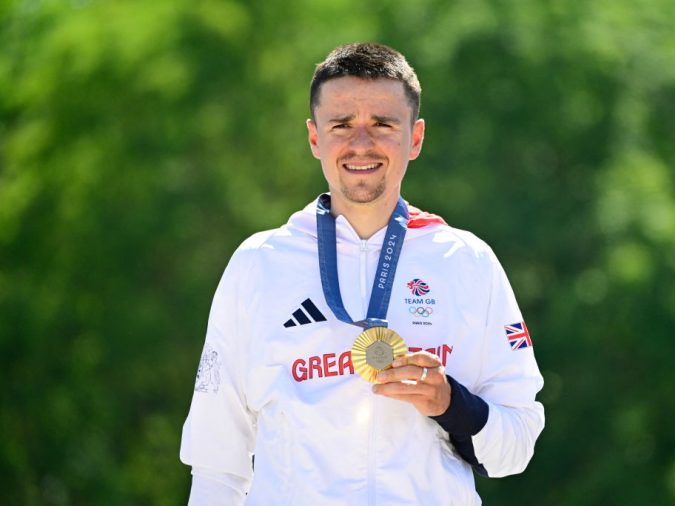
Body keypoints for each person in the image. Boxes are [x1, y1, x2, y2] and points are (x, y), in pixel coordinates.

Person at [180, 42, 544, 505]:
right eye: (342, 125)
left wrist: (451, 404)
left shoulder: (467, 263)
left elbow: (517, 446)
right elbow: (216, 464)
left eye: (383, 124)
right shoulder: (258, 265)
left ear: (415, 138)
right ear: (315, 139)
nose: (361, 144)